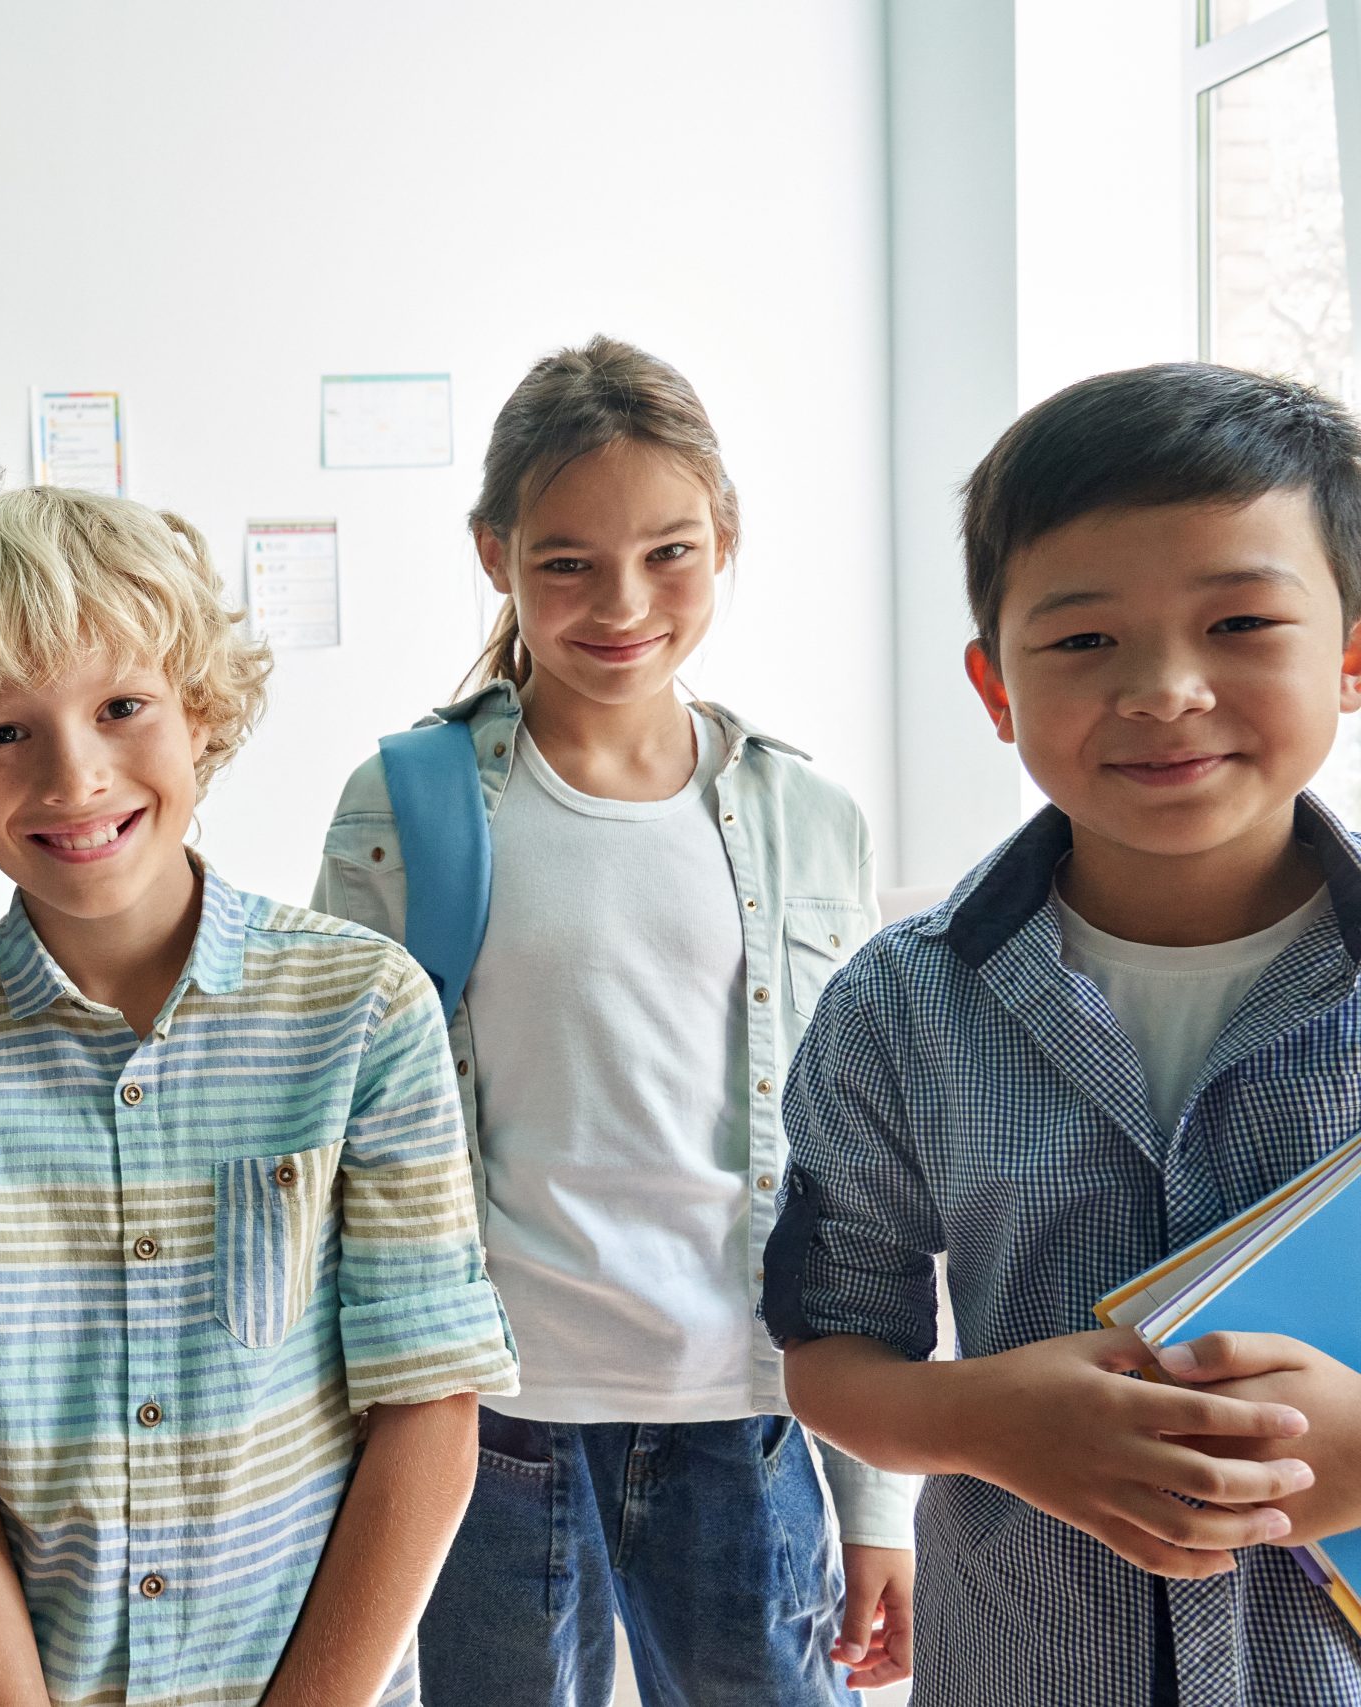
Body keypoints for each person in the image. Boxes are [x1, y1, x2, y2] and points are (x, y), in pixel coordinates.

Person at [0, 485, 517, 1706]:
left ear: (197, 711)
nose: (74, 774)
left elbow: (427, 1405)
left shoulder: (365, 1009)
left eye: (121, 706)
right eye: (2, 733)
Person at [315, 336, 918, 1705]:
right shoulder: (403, 804)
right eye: (567, 560)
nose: (622, 602)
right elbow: (338, 1141)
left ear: (726, 540)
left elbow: (866, 1175)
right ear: (496, 553)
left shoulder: (806, 819)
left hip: (749, 1408)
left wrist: (879, 1501)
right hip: (492, 1418)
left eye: (670, 551)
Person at [770, 362, 1361, 1705]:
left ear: (1351, 652)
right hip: (1025, 1662)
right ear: (995, 685)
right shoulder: (897, 1006)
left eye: (1240, 623)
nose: (1164, 689)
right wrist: (991, 1418)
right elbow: (831, 1344)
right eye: (1086, 640)